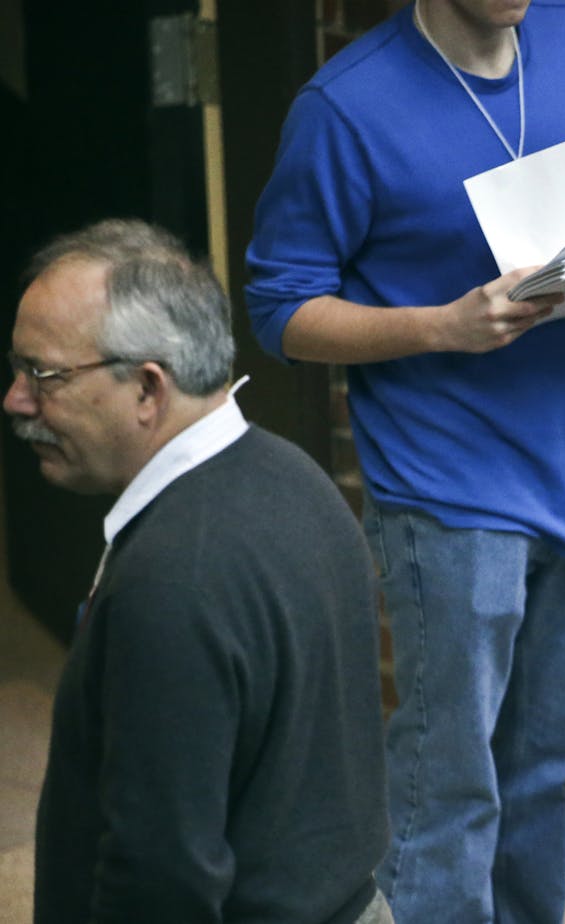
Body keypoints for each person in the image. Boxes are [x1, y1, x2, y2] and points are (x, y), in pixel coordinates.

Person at [243, 2, 565, 921]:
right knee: (450, 791)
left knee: (548, 771)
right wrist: (442, 326)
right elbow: (280, 308)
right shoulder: (345, 107)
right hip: (447, 489)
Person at [6, 219, 390, 924]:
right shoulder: (294, 475)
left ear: (148, 388)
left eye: (43, 374)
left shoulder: (170, 582)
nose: (16, 400)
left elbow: (160, 881)